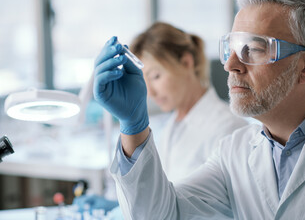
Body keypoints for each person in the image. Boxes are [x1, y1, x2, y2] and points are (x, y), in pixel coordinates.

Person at [93, 0, 305, 219]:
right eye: (230, 48)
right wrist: (132, 126)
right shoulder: (234, 151)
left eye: (253, 49)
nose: (230, 65)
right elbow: (160, 214)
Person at [75, 22, 247, 217]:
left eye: (155, 76)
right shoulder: (172, 126)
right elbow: (158, 196)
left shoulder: (229, 128)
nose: (150, 92)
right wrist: (117, 206)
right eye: (144, 80)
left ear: (186, 62)